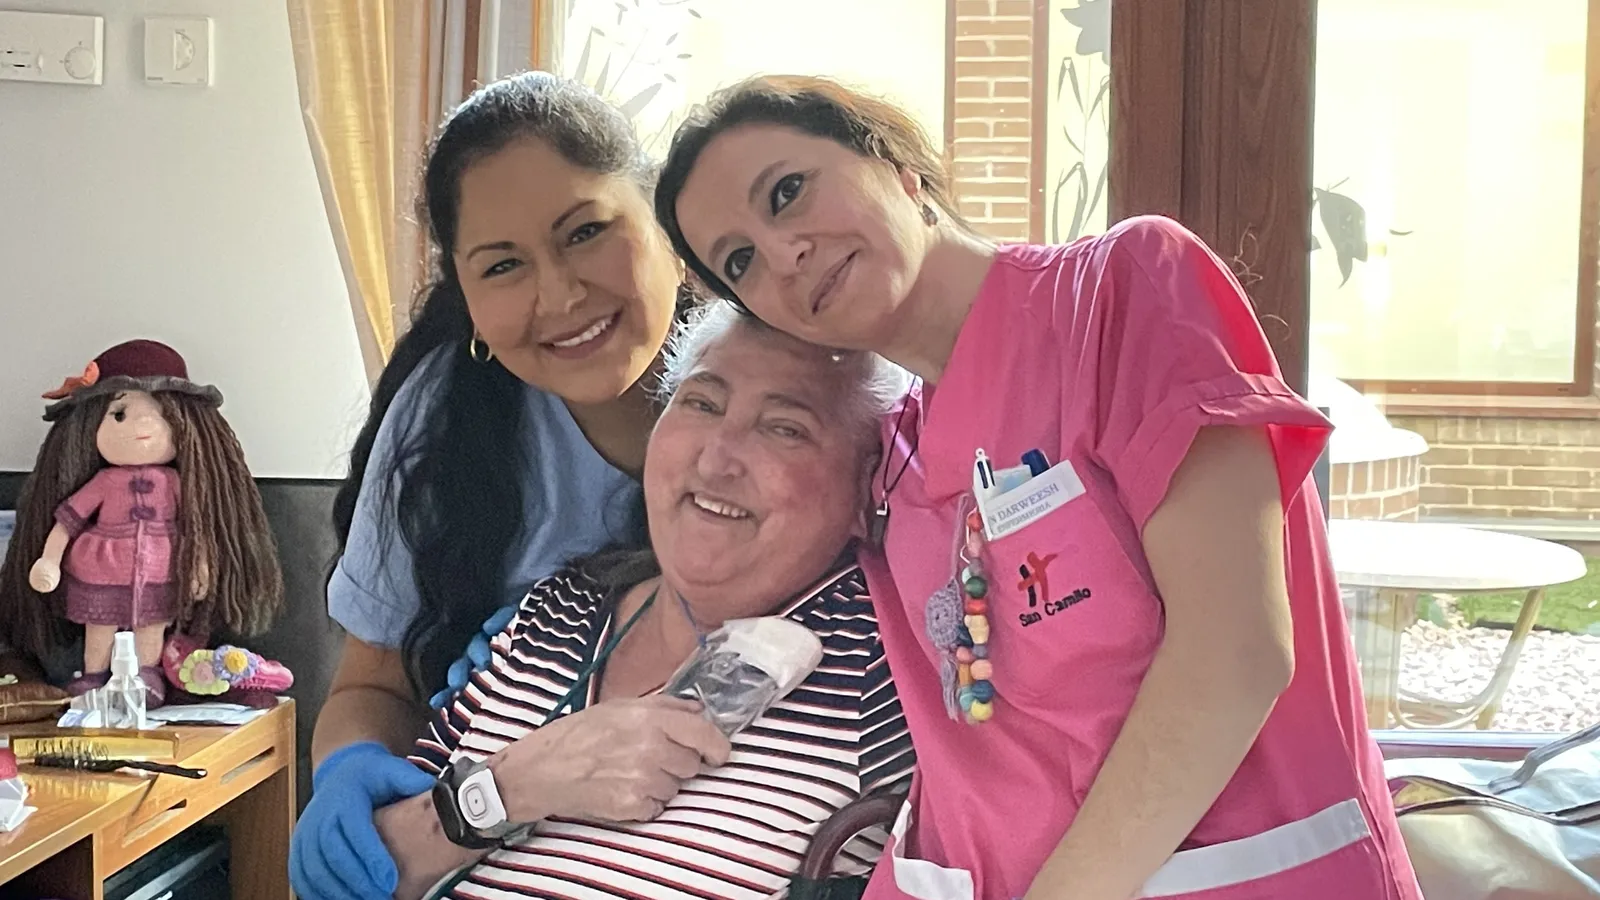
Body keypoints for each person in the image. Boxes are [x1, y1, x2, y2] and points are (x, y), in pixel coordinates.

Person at [654, 76, 1423, 900]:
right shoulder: (890, 460)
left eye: (788, 192)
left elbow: (1236, 657)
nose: (783, 256)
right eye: (740, 261)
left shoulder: (1121, 293)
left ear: (900, 168)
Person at [289, 71, 692, 899]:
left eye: (586, 232)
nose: (561, 295)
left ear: (666, 224)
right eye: (503, 265)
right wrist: (351, 771)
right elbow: (373, 685)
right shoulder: (446, 424)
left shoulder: (780, 383)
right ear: (466, 296)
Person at [369, 301, 915, 900]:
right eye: (702, 403)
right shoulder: (557, 613)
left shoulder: (884, 671)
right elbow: (375, 869)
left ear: (870, 484)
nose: (716, 459)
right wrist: (516, 785)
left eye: (785, 428)